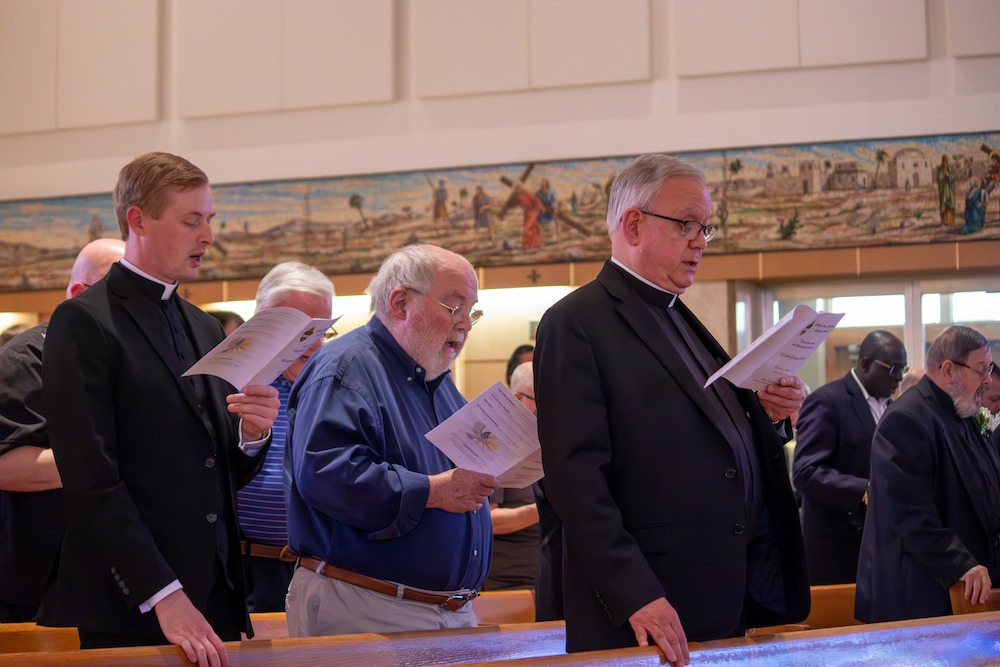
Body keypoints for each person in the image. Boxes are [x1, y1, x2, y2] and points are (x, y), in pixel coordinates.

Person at [533, 154, 809, 663]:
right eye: (686, 225)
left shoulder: (681, 317)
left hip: (720, 591)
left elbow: (699, 437)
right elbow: (574, 477)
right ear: (633, 224)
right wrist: (634, 590)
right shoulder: (577, 321)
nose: (700, 241)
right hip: (648, 603)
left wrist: (768, 418)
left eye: (706, 227)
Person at [38, 152, 279, 666]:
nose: (207, 235)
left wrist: (252, 435)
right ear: (138, 220)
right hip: (130, 599)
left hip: (212, 590)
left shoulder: (206, 327)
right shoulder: (82, 322)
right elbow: (91, 480)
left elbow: (216, 474)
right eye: (191, 220)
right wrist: (163, 593)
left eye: (209, 220)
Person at [285, 243, 499, 637]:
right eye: (455, 308)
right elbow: (326, 474)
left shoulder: (438, 381)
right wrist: (432, 491)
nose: (466, 324)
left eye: (473, 311)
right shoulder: (345, 367)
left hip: (446, 609)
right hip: (369, 604)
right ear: (401, 303)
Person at [0, 238, 125, 623]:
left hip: (115, 576)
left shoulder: (125, 359)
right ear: (77, 293)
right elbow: (7, 466)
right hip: (36, 586)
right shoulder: (28, 358)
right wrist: (121, 456)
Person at [856, 325, 999, 623]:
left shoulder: (961, 411)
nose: (987, 380)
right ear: (948, 369)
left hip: (964, 586)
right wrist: (960, 562)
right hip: (919, 592)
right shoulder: (906, 419)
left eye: (989, 368)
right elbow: (908, 512)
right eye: (981, 369)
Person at [237, 262, 334, 612]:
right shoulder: (229, 387)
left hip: (325, 574)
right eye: (294, 329)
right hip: (244, 571)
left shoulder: (338, 393)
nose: (309, 343)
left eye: (320, 330)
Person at [791, 330, 907, 585]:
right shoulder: (827, 401)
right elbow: (805, 472)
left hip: (883, 541)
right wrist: (865, 491)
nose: (899, 377)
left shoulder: (892, 407)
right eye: (894, 368)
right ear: (865, 363)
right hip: (839, 544)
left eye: (903, 369)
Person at [483, 361, 540, 591]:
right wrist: (542, 510)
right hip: (511, 582)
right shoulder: (495, 447)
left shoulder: (552, 440)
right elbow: (488, 521)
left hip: (553, 575)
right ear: (516, 398)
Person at [936, 155, 956, 225]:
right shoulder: (940, 169)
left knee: (950, 204)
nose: (945, 164)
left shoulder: (950, 168)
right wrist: (942, 175)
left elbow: (953, 177)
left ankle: (951, 221)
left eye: (946, 162)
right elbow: (938, 179)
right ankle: (943, 221)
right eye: (944, 161)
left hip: (950, 191)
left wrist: (948, 175)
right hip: (943, 191)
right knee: (943, 205)